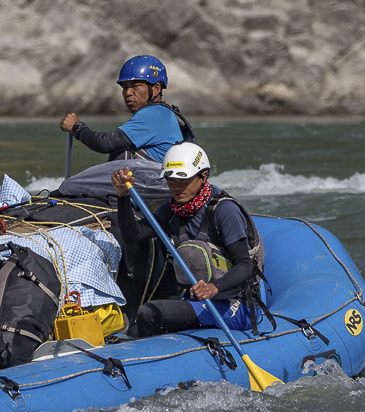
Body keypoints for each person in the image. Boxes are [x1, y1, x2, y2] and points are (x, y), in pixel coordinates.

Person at [110, 142, 264, 338]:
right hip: (199, 301)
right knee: (135, 329)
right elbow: (135, 235)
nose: (176, 188)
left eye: (183, 181)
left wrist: (213, 288)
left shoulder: (224, 211)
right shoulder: (173, 209)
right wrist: (123, 196)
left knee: (150, 313)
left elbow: (244, 266)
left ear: (203, 177)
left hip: (237, 305)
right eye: (171, 181)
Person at [59, 54, 197, 164]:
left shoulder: (153, 114)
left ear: (156, 89)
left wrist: (77, 127)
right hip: (158, 184)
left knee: (121, 148)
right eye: (125, 87)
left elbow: (105, 143)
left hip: (157, 187)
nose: (128, 93)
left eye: (135, 86)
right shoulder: (164, 112)